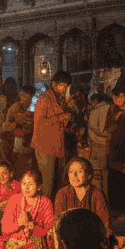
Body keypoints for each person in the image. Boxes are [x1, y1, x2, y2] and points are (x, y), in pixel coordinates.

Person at [0, 169, 55, 249]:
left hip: (37, 246)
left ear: (39, 187)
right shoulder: (14, 199)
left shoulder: (45, 202)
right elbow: (4, 230)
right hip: (15, 244)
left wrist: (35, 228)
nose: (26, 187)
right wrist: (18, 223)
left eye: (30, 184)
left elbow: (50, 234)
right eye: (23, 183)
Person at [31, 71, 73, 200]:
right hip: (45, 146)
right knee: (47, 182)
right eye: (62, 86)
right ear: (54, 84)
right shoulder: (44, 99)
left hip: (56, 146)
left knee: (56, 181)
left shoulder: (58, 99)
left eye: (66, 86)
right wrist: (61, 117)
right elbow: (40, 122)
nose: (64, 89)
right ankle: (44, 210)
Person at [53, 157, 110, 231]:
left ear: (89, 175)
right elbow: (58, 222)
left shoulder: (97, 195)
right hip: (67, 235)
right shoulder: (62, 193)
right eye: (71, 171)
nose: (74, 175)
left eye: (80, 171)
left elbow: (104, 224)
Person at [4, 86, 36, 181]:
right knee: (19, 175)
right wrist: (15, 126)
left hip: (34, 147)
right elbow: (6, 126)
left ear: (31, 96)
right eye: (21, 95)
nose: (22, 97)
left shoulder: (36, 108)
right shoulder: (15, 108)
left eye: (25, 95)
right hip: (19, 148)